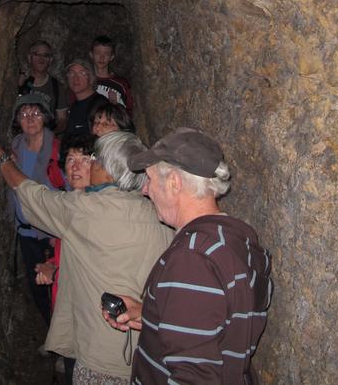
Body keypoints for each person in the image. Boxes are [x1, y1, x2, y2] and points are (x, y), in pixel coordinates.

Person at [0, 130, 173, 384]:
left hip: (101, 358)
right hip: (152, 356)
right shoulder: (159, 214)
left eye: (95, 159)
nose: (90, 164)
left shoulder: (86, 210)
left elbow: (31, 194)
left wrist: (3, 160)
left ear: (108, 169)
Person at [103, 127, 273, 384]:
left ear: (174, 182)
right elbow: (215, 329)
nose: (145, 190)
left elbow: (196, 377)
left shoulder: (193, 259)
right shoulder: (232, 241)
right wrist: (152, 317)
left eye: (149, 179)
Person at [33, 133, 96, 383]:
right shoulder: (70, 204)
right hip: (69, 313)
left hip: (89, 320)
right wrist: (52, 265)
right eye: (70, 159)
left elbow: (93, 271)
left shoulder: (99, 210)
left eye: (84, 159)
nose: (75, 166)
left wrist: (56, 273)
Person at [6, 94, 64, 326]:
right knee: (36, 286)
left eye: (36, 113)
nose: (30, 119)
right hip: (26, 232)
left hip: (51, 233)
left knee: (58, 285)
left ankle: (64, 339)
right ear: (17, 120)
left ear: (46, 117)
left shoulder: (58, 151)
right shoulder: (15, 148)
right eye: (24, 114)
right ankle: (51, 331)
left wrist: (59, 234)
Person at [18, 40, 69, 134]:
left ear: (50, 60)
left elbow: (62, 119)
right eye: (37, 54)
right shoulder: (19, 83)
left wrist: (50, 135)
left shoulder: (56, 87)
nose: (41, 59)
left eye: (46, 55)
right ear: (30, 58)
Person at [89, 35, 134, 117]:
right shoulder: (84, 81)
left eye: (106, 54)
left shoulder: (121, 84)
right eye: (98, 53)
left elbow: (131, 113)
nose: (102, 57)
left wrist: (115, 105)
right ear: (91, 55)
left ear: (111, 57)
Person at [65, 59, 108, 137]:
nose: (76, 78)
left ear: (91, 78)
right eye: (71, 73)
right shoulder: (74, 105)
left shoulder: (101, 105)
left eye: (82, 73)